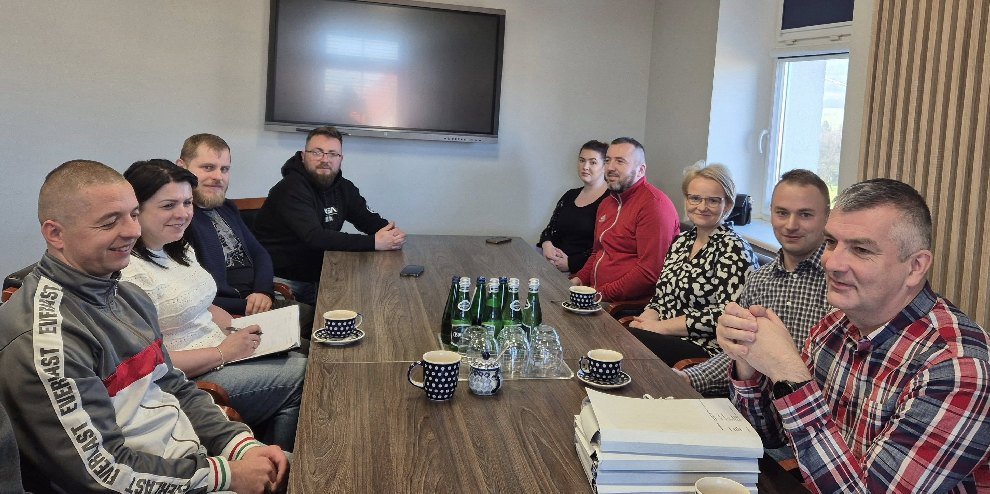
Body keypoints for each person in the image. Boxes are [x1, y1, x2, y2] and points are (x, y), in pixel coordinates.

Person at [0, 160, 287, 493]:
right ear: (55, 233)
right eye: (110, 222)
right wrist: (227, 474)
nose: (133, 231)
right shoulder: (45, 337)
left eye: (134, 215)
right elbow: (103, 473)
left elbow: (175, 386)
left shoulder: (128, 294)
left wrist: (240, 446)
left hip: (192, 463)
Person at [718, 178, 990, 492]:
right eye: (831, 242)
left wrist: (789, 374)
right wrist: (747, 360)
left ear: (916, 266)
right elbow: (773, 437)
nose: (832, 263)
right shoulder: (835, 326)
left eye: (860, 250)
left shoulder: (958, 369)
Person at [119, 160, 306, 453]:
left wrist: (239, 326)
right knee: (304, 374)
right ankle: (279, 463)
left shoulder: (176, 249)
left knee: (305, 355)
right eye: (168, 205)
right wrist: (224, 352)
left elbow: (204, 306)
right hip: (191, 380)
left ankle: (270, 451)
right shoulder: (130, 272)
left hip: (223, 347)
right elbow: (147, 364)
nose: (183, 213)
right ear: (135, 210)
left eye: (187, 203)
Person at [680, 169, 832, 396]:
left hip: (810, 411)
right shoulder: (759, 280)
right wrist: (688, 378)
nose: (791, 225)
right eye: (782, 213)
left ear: (827, 217)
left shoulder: (839, 283)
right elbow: (739, 351)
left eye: (805, 215)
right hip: (751, 407)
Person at [176, 133, 315, 334]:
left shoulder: (227, 208)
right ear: (181, 167)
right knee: (312, 343)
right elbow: (191, 297)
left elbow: (260, 253)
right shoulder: (179, 220)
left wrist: (263, 291)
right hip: (228, 316)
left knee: (319, 318)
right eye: (208, 167)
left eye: (224, 169)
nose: (218, 177)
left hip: (260, 302)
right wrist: (248, 304)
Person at [253, 126, 406, 305]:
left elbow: (369, 220)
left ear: (341, 159)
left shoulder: (344, 188)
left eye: (333, 154)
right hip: (282, 282)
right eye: (317, 152)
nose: (325, 160)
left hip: (322, 275)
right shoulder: (291, 188)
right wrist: (374, 242)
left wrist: (391, 234)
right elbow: (315, 237)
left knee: (372, 302)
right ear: (303, 156)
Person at [626, 162, 758, 366]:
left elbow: (726, 315)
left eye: (713, 201)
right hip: (663, 335)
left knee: (627, 343)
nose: (702, 207)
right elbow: (661, 298)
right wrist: (643, 322)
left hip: (704, 349)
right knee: (623, 333)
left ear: (728, 205)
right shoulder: (681, 241)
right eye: (695, 198)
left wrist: (660, 328)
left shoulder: (734, 248)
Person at [569, 137, 680, 301]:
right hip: (597, 296)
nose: (610, 167)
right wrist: (579, 279)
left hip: (626, 306)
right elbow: (598, 252)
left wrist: (599, 295)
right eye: (608, 160)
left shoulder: (654, 205)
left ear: (641, 170)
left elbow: (650, 272)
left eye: (620, 161)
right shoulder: (607, 203)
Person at [538, 140, 610, 273]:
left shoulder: (611, 200)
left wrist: (570, 263)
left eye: (593, 162)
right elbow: (549, 230)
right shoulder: (570, 195)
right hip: (551, 263)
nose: (585, 166)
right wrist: (547, 245)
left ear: (605, 166)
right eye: (582, 160)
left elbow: (604, 248)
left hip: (582, 272)